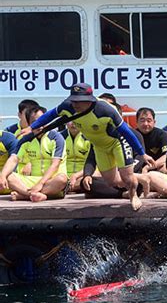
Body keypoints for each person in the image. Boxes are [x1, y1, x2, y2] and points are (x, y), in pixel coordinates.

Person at [21, 83, 148, 211]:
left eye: (79, 101)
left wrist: (142, 153)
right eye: (73, 100)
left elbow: (126, 132)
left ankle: (133, 195)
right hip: (99, 146)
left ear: (89, 100)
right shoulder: (68, 106)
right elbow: (51, 115)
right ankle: (141, 178)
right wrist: (31, 127)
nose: (75, 104)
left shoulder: (105, 110)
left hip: (117, 142)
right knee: (112, 182)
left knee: (127, 179)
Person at [7, 107, 68, 202]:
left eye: (42, 122)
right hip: (33, 181)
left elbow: (55, 165)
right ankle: (35, 195)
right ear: (29, 125)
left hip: (51, 181)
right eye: (36, 122)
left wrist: (41, 183)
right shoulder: (25, 139)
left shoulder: (56, 137)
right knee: (9, 176)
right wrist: (2, 176)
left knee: (62, 179)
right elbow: (13, 159)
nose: (40, 126)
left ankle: (25, 195)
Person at [135, 107, 167, 171]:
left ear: (154, 122)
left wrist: (147, 168)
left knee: (163, 168)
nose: (145, 124)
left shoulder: (162, 135)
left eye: (149, 120)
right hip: (136, 168)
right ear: (136, 122)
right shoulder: (132, 135)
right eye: (142, 121)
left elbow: (166, 156)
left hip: (155, 167)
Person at [61, 121, 91, 192]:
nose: (73, 123)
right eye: (70, 120)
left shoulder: (90, 137)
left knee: (93, 177)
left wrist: (75, 176)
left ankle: (68, 188)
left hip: (84, 175)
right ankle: (70, 187)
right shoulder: (60, 137)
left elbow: (93, 163)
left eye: (76, 119)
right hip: (64, 178)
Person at [0, 129, 20, 194]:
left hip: (4, 178)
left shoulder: (8, 138)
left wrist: (3, 176)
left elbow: (13, 163)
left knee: (11, 179)